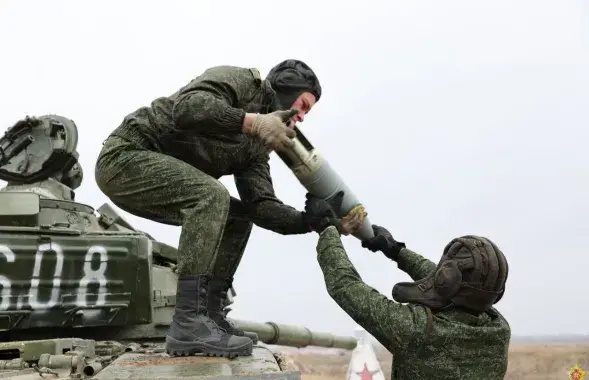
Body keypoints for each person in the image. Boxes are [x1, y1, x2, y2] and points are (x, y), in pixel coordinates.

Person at [94, 60, 365, 358]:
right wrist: (253, 122)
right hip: (125, 157)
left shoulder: (256, 148)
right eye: (302, 106)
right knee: (211, 195)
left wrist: (312, 221)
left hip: (158, 178)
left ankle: (209, 315)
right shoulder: (241, 82)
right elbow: (187, 108)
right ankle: (188, 321)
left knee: (238, 217)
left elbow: (261, 207)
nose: (301, 117)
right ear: (284, 89)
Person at [303, 191, 511, 379]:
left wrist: (327, 231)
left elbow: (346, 286)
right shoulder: (498, 328)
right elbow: (444, 279)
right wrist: (396, 251)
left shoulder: (418, 331)